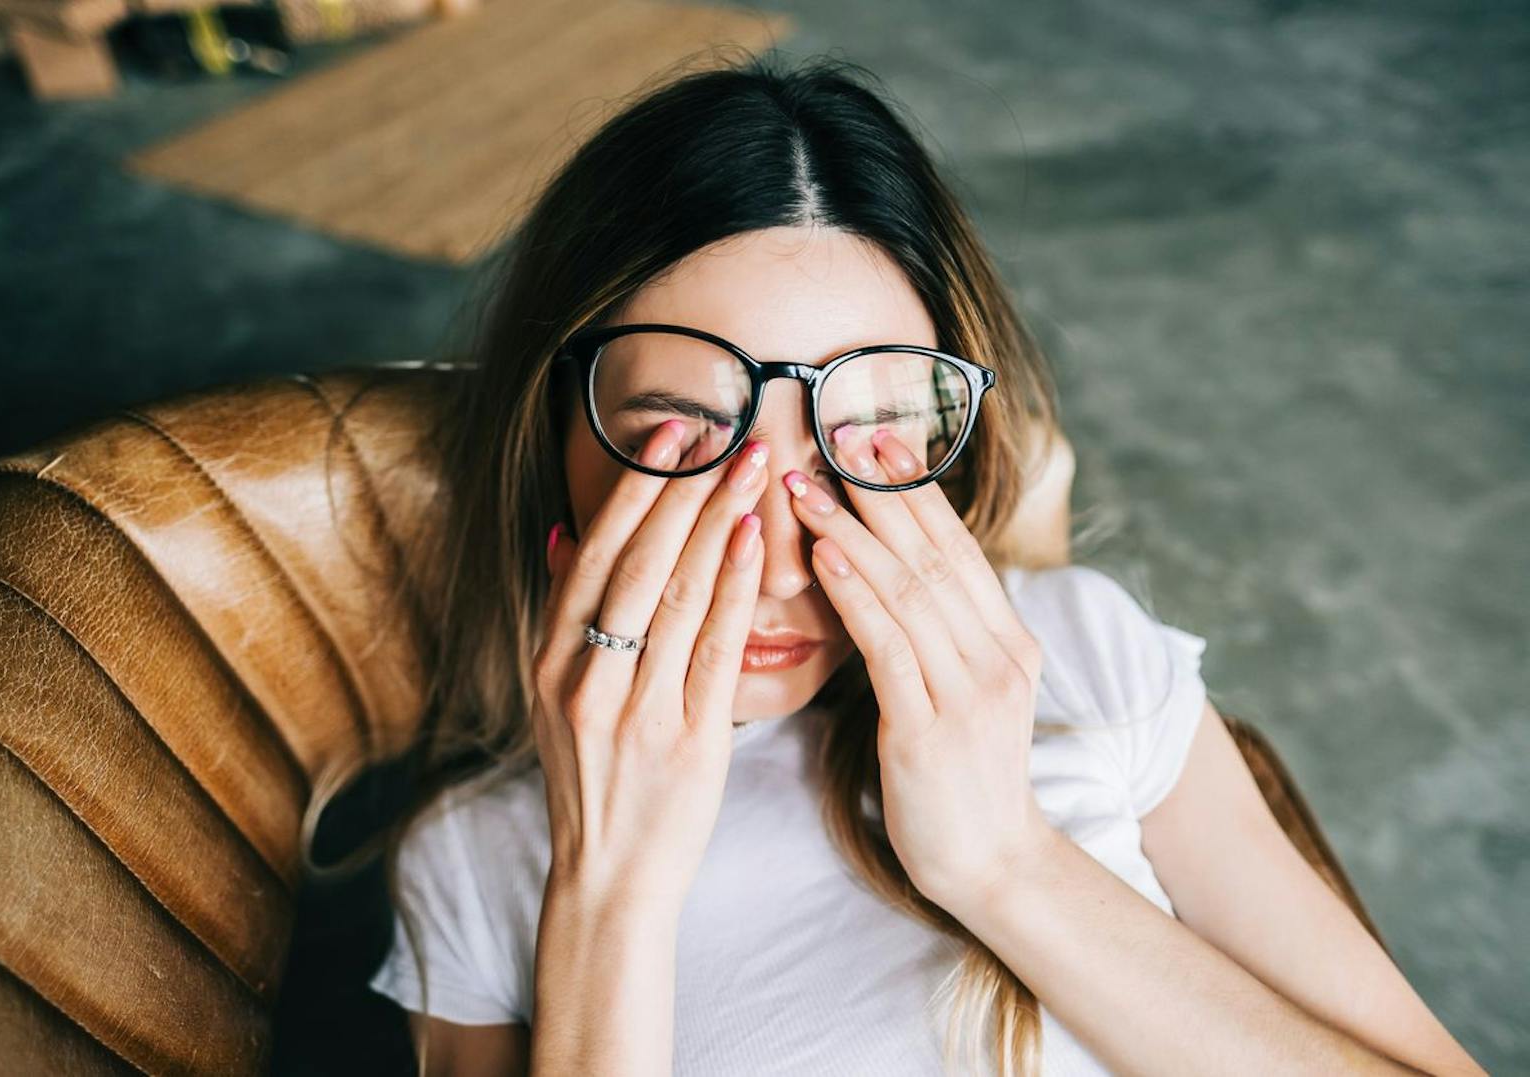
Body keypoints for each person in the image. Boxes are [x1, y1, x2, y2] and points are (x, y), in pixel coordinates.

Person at [362, 49, 1481, 1077]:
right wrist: (609, 893)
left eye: (870, 438)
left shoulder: (1080, 653)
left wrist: (1003, 863)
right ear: (551, 438)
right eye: (684, 442)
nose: (781, 566)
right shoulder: (476, 862)